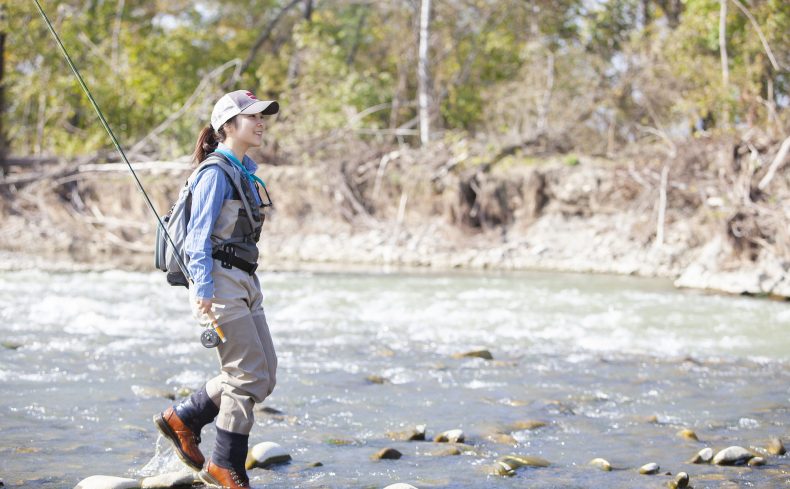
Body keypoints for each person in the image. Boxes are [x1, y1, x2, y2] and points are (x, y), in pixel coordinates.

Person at [154, 90, 280, 489]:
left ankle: (186, 417)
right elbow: (197, 238)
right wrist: (202, 290)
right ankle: (225, 466)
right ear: (227, 126)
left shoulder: (244, 170)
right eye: (252, 117)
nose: (261, 123)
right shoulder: (214, 173)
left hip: (246, 279)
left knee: (263, 374)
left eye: (263, 117)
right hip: (220, 280)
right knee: (245, 376)